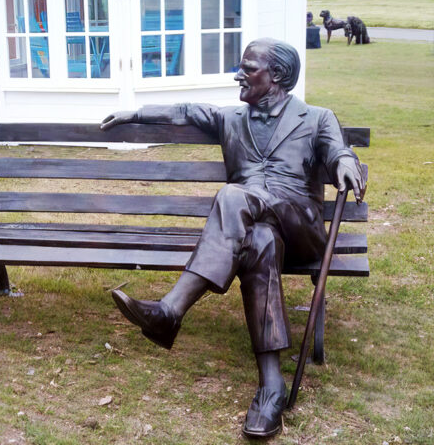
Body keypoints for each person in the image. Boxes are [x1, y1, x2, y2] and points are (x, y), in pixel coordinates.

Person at [100, 37, 365, 439]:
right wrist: (135, 111)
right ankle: (271, 388)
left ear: (276, 76)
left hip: (301, 228)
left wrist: (346, 161)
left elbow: (336, 150)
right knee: (259, 242)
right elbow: (186, 110)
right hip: (254, 229)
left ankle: (171, 310)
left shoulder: (315, 117)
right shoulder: (231, 119)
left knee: (232, 195)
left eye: (248, 67)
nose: (238, 74)